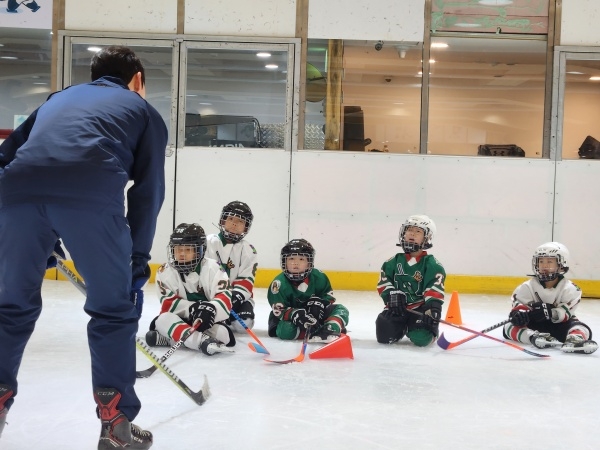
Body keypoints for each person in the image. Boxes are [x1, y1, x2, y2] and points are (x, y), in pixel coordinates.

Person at [0, 46, 167, 448]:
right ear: (138, 80)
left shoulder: (57, 99)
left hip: (14, 197)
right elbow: (148, 194)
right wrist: (137, 259)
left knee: (9, 309)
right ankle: (115, 425)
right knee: (113, 311)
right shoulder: (143, 111)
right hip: (90, 198)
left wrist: (37, 224)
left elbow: (8, 156)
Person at [145, 223, 235, 355]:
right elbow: (168, 304)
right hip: (179, 319)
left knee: (223, 334)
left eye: (187, 250)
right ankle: (201, 342)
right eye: (177, 249)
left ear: (200, 250)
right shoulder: (164, 271)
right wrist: (193, 309)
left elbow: (225, 299)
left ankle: (171, 340)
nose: (181, 254)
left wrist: (212, 309)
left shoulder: (214, 268)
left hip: (206, 322)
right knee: (162, 319)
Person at [503, 242, 597, 354]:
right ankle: (533, 337)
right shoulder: (527, 286)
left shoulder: (571, 289)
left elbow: (566, 312)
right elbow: (520, 305)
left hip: (559, 325)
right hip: (534, 325)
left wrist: (551, 313)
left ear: (561, 264)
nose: (544, 265)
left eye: (550, 261)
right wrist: (520, 314)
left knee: (581, 327)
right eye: (541, 261)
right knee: (508, 327)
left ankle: (574, 339)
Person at [375, 214, 446, 347]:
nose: (412, 233)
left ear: (427, 237)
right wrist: (391, 296)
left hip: (419, 310)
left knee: (421, 339)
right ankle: (402, 327)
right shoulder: (392, 262)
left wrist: (432, 308)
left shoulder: (432, 265)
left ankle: (425, 330)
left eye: (418, 231)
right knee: (384, 336)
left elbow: (434, 288)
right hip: (397, 309)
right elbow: (383, 283)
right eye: (409, 230)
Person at [267, 239, 349, 343]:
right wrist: (295, 314)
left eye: (301, 259)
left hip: (316, 316)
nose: (295, 263)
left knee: (341, 309)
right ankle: (315, 332)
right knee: (285, 330)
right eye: (291, 258)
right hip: (292, 320)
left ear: (309, 263)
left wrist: (320, 303)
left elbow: (328, 297)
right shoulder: (278, 284)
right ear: (284, 262)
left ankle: (330, 328)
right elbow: (279, 310)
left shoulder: (320, 277)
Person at [205, 201, 258, 333]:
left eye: (240, 221)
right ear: (223, 220)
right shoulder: (207, 242)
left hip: (236, 298)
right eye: (230, 219)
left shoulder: (249, 250)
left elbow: (246, 279)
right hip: (211, 296)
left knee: (243, 325)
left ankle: (225, 318)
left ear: (246, 227)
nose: (234, 223)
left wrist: (235, 297)